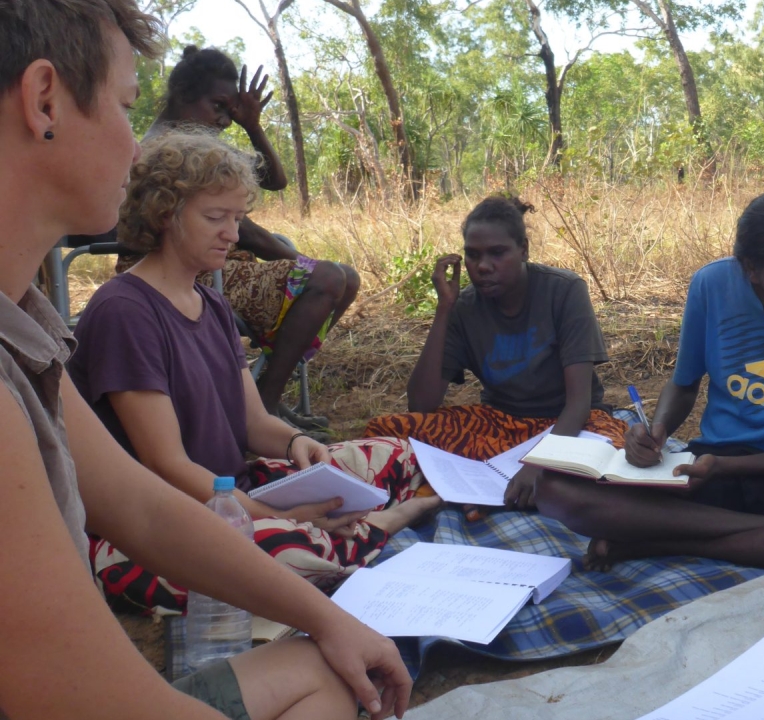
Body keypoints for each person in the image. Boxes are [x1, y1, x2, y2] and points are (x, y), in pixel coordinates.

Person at [0, 1, 409, 718]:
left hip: (211, 523)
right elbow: (80, 692)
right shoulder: (119, 311)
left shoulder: (28, 334)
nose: (135, 148)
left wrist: (327, 618)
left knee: (335, 663)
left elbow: (140, 505)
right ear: (44, 101)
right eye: (127, 107)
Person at [69, 130, 440, 614]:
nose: (233, 233)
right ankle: (387, 522)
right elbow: (168, 467)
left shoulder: (212, 304)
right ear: (164, 214)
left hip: (235, 491)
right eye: (215, 217)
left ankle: (348, 530)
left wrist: (296, 445)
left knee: (402, 454)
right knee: (283, 557)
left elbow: (253, 424)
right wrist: (276, 514)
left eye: (238, 218)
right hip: (163, 521)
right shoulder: (125, 310)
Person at [535, 187, 764, 572]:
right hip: (717, 464)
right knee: (554, 489)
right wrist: (659, 430)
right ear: (751, 270)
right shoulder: (712, 285)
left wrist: (725, 468)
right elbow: (683, 386)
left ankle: (664, 542)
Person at [136, 45, 358, 430]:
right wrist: (297, 258)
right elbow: (246, 232)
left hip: (219, 266)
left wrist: (252, 126)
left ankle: (259, 392)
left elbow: (275, 181)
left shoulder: (199, 143)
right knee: (329, 278)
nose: (225, 119)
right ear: (183, 96)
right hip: (190, 272)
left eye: (230, 110)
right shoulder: (170, 148)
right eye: (219, 106)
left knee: (344, 278)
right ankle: (264, 407)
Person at [364, 195, 628, 512]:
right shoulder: (463, 306)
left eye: (497, 253)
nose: (483, 266)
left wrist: (539, 463)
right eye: (473, 256)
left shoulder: (564, 291)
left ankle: (491, 489)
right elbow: (421, 404)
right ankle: (489, 489)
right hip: (501, 425)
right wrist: (444, 309)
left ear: (524, 250)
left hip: (572, 425)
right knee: (389, 431)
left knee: (603, 464)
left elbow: (579, 403)